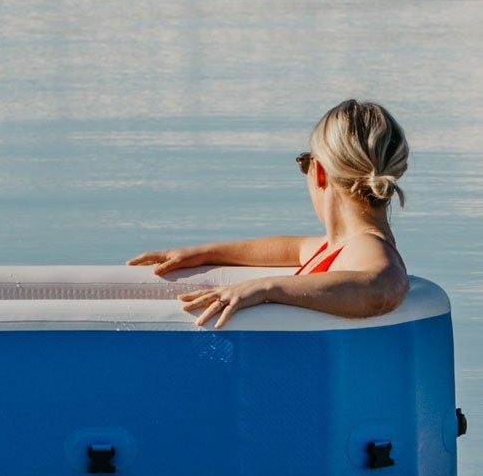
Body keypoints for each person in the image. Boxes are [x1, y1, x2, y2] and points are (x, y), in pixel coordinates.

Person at [127, 99, 410, 328]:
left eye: (304, 163)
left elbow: (382, 288)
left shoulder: (366, 245)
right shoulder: (337, 246)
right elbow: (288, 248)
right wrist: (200, 253)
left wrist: (266, 288)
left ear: (320, 172)